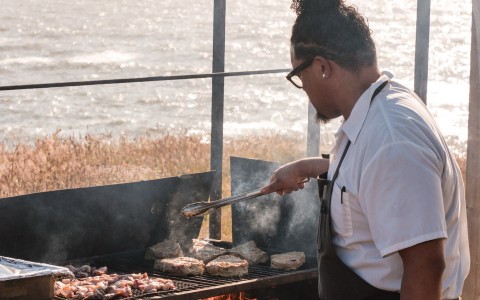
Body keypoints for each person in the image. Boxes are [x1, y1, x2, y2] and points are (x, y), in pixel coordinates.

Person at [260, 0, 470, 299]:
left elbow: (425, 264)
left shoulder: (393, 140)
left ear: (321, 67)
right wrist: (306, 167)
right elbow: (367, 178)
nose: (303, 88)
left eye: (299, 76)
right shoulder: (376, 110)